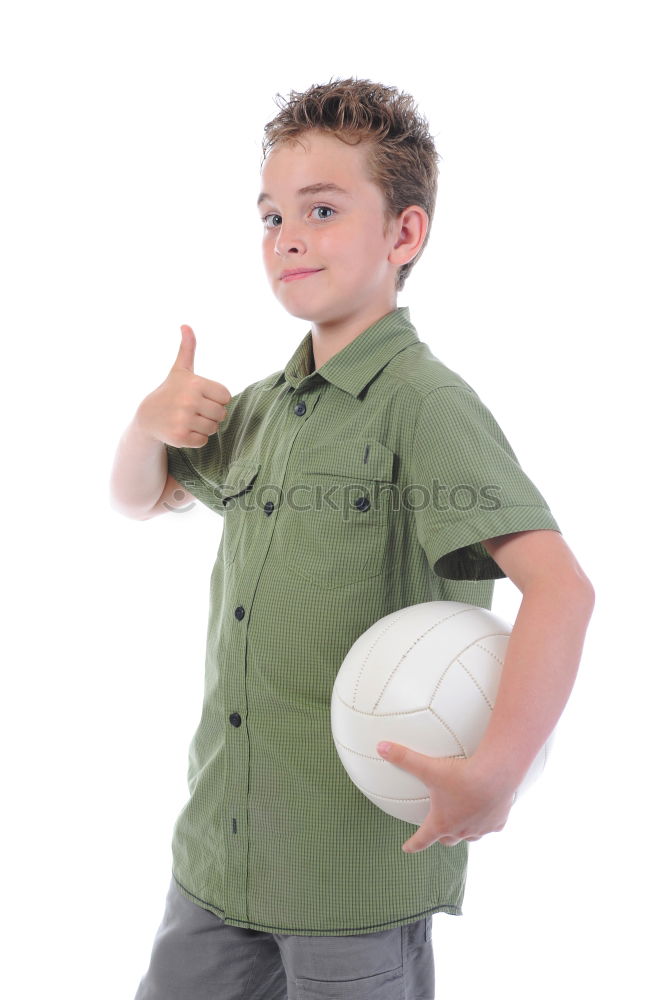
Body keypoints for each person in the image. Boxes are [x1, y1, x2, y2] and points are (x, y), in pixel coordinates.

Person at [110, 77, 595, 1000]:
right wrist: (146, 427)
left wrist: (494, 773)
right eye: (270, 216)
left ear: (403, 235)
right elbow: (142, 499)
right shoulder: (263, 407)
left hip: (351, 881)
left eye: (322, 210)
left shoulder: (424, 405)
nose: (286, 237)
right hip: (220, 854)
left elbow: (561, 588)